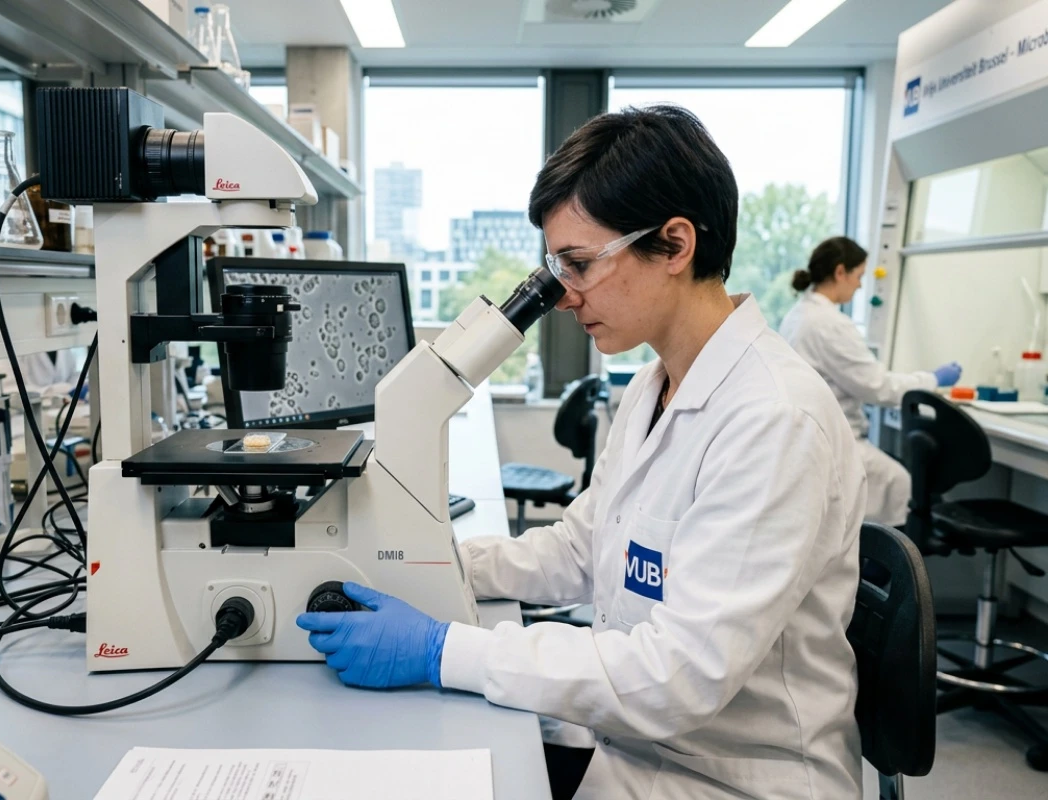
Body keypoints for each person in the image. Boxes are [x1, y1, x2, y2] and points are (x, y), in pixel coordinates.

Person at [298, 106, 868, 800]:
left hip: (728, 778)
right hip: (635, 748)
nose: (563, 296)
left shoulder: (774, 419)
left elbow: (678, 676)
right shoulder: (653, 385)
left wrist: (438, 649)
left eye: (578, 263)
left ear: (676, 244)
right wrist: (432, 565)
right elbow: (579, 550)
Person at [779, 236, 961, 526]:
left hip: (808, 441)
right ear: (840, 272)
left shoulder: (799, 314)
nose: (861, 285)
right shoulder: (828, 323)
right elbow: (878, 386)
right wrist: (933, 379)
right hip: (833, 444)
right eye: (859, 276)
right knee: (900, 484)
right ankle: (893, 568)